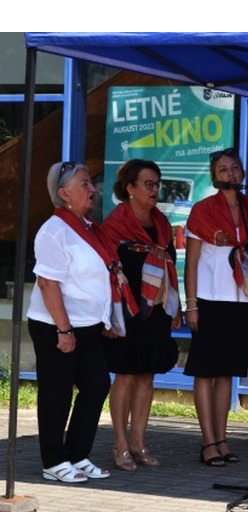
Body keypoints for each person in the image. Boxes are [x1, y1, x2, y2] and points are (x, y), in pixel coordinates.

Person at [26, 161, 131, 482]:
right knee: (57, 392)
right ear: (63, 193)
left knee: (97, 384)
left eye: (90, 182)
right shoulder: (54, 230)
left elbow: (102, 276)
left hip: (88, 325)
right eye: (84, 183)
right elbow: (48, 284)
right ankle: (53, 461)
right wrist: (64, 329)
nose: (92, 188)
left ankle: (77, 454)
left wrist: (107, 319)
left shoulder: (87, 227)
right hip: (56, 326)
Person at [101, 160, 182, 471]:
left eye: (156, 183)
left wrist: (174, 305)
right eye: (147, 184)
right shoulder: (114, 224)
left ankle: (138, 442)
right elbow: (105, 272)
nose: (154, 189)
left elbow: (170, 267)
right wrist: (109, 314)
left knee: (147, 375)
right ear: (130, 188)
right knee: (126, 375)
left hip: (156, 311)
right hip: (126, 309)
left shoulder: (162, 223)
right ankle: (120, 444)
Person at [184, 148, 248, 467]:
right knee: (205, 372)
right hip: (209, 298)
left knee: (227, 373)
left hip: (241, 299)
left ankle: (222, 438)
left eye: (235, 168)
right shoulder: (201, 210)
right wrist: (191, 305)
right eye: (223, 169)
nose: (230, 173)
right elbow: (190, 263)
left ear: (242, 174)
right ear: (214, 175)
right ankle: (207, 442)